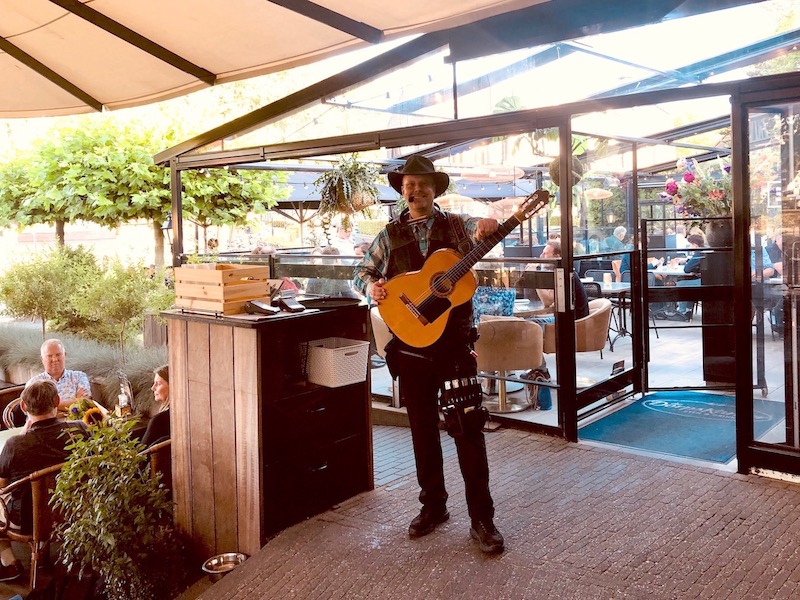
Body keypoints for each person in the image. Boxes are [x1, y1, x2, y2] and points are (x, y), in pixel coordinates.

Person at [354, 155, 504, 554]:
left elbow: (479, 229)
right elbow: (362, 273)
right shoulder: (387, 235)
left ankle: (482, 519)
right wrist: (373, 287)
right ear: (401, 191)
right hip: (410, 347)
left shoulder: (456, 224)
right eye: (408, 185)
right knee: (421, 431)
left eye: (422, 184)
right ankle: (433, 506)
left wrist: (488, 222)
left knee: (467, 430)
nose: (414, 190)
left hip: (454, 344)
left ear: (435, 189)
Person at [0, 380, 89, 581]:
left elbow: (2, 488)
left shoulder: (14, 445)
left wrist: (24, 433)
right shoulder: (79, 430)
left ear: (23, 407)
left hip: (28, 520)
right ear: (57, 401)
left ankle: (9, 563)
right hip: (74, 511)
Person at [530, 240, 589, 323]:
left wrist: (534, 276)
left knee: (531, 323)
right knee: (530, 319)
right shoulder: (558, 271)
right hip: (567, 316)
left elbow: (547, 301)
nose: (541, 256)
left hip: (572, 321)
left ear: (556, 257)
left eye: (545, 253)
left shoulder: (563, 274)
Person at [26, 339, 91, 410]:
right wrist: (76, 401)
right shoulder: (34, 383)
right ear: (42, 359)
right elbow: (33, 410)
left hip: (74, 421)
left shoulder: (79, 376)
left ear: (65, 355)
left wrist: (48, 406)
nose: (55, 359)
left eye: (58, 354)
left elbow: (86, 402)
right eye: (49, 356)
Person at [141, 365, 170, 447]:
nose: (153, 388)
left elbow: (140, 457)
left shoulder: (159, 420)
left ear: (172, 386)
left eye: (158, 384)